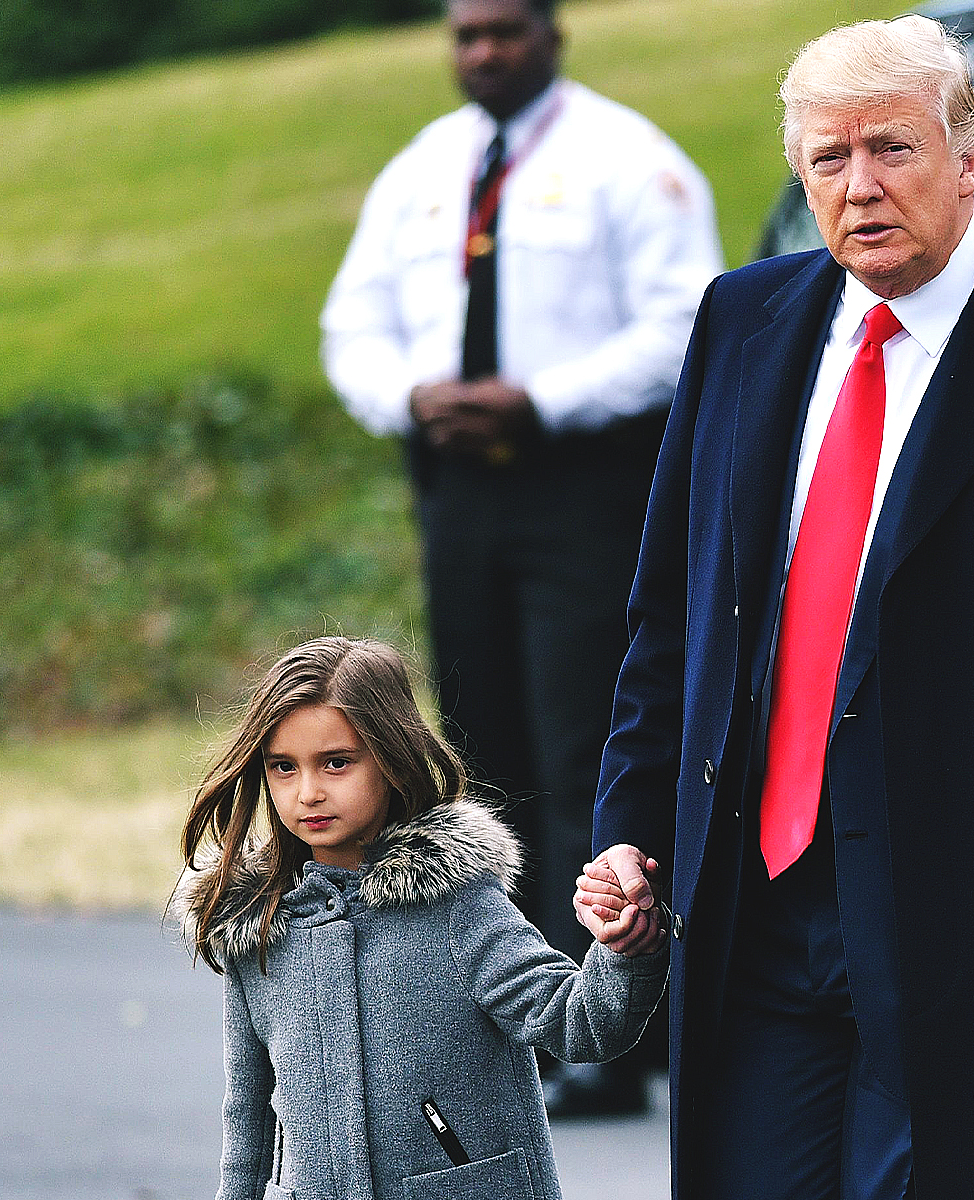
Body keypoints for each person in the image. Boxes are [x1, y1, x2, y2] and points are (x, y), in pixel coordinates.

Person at [577, 15, 974, 1199]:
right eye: (828, 161)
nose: (860, 187)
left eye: (891, 149)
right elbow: (674, 619)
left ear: (968, 160)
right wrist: (634, 825)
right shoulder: (741, 324)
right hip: (756, 911)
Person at [318, 0, 720, 1115]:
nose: (482, 51)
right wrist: (410, 396)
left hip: (582, 488)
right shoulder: (423, 171)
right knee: (481, 750)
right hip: (459, 494)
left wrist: (538, 401)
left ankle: (616, 1029)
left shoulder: (627, 161)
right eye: (465, 34)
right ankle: (530, 1019)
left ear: (552, 33)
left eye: (503, 30)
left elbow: (687, 320)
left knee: (585, 749)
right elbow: (351, 322)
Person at [174, 636, 669, 1200]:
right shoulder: (255, 927)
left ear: (391, 757)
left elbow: (579, 1026)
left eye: (336, 763)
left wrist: (624, 951)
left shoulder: (458, 905)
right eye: (283, 768)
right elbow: (248, 1112)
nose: (308, 792)